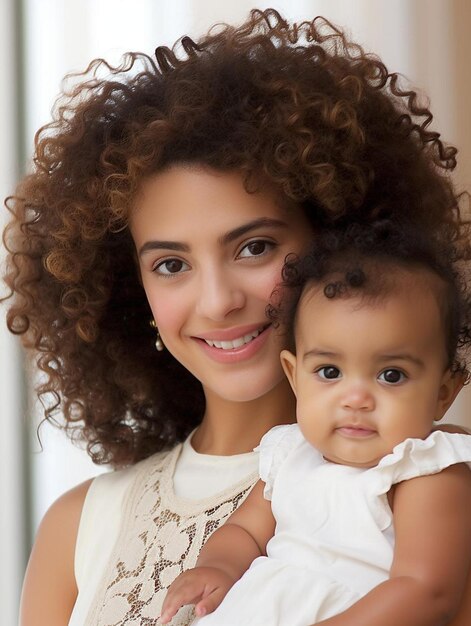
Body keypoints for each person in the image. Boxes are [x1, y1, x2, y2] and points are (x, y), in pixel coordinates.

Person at [3, 7, 471, 626]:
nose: (219, 300)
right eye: (171, 264)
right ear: (126, 289)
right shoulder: (79, 527)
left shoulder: (426, 483)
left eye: (255, 248)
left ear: (335, 242)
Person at [161, 223, 471, 625]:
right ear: (294, 376)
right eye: (329, 371)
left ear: (444, 392)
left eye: (391, 375)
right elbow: (246, 532)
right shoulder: (292, 453)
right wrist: (217, 568)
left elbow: (426, 591)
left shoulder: (425, 469)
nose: (355, 398)